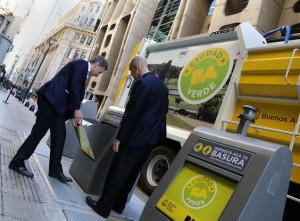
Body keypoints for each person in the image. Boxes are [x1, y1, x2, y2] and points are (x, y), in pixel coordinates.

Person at [85, 55, 169, 218]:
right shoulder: (162, 86)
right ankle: (118, 205)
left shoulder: (142, 84)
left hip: (135, 137)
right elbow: (163, 112)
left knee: (118, 171)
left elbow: (132, 113)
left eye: (131, 71)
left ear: (136, 67)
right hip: (151, 139)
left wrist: (120, 137)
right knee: (132, 173)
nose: (131, 75)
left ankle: (103, 207)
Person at [9, 56, 108, 183]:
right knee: (38, 132)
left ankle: (55, 171)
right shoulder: (82, 64)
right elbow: (74, 87)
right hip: (51, 101)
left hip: (57, 106)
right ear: (96, 65)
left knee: (60, 135)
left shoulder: (83, 69)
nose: (97, 75)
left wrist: (73, 115)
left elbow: (73, 91)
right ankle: (17, 161)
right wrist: (77, 110)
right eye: (99, 72)